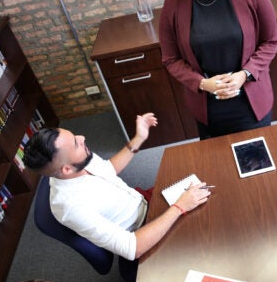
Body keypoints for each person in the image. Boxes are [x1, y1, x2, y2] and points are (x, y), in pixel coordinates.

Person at [22, 113, 211, 264]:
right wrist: (179, 207)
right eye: (75, 143)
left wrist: (139, 138)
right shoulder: (71, 207)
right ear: (66, 169)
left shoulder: (78, 160)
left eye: (74, 135)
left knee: (207, 179)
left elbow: (108, 169)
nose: (82, 137)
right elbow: (132, 247)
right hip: (141, 232)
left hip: (142, 200)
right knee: (208, 240)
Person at [160, 0, 277, 139]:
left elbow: (270, 41)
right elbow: (171, 60)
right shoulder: (173, 5)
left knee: (259, 162)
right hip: (208, 106)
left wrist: (245, 74)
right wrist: (203, 84)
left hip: (250, 100)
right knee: (218, 164)